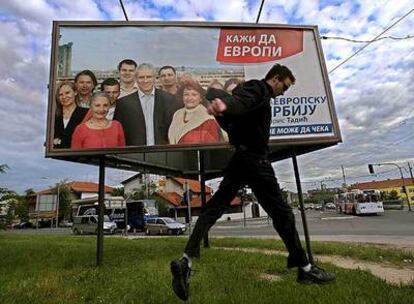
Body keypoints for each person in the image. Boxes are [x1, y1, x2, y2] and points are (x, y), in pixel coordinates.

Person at [170, 63, 336, 301]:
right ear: (277, 79)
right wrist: (227, 105)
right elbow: (243, 101)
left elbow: (236, 113)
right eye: (285, 87)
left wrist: (223, 110)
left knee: (214, 208)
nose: (283, 93)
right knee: (283, 215)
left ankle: (185, 260)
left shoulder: (249, 99)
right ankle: (306, 269)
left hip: (240, 159)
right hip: (256, 161)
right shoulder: (259, 89)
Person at [113, 63, 181, 146]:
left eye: (149, 77)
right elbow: (118, 133)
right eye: (141, 77)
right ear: (136, 79)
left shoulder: (171, 100)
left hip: (164, 153)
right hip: (133, 154)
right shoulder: (123, 103)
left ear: (154, 78)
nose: (145, 81)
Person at [168, 79, 224, 144]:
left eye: (194, 95)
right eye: (186, 94)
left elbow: (212, 146)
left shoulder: (208, 118)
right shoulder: (177, 115)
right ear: (182, 97)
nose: (189, 98)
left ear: (200, 98)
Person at [54, 82, 89, 149]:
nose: (64, 97)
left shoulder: (86, 113)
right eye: (60, 95)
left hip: (78, 156)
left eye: (67, 93)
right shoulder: (54, 117)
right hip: (57, 157)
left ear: (75, 92)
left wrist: (59, 141)